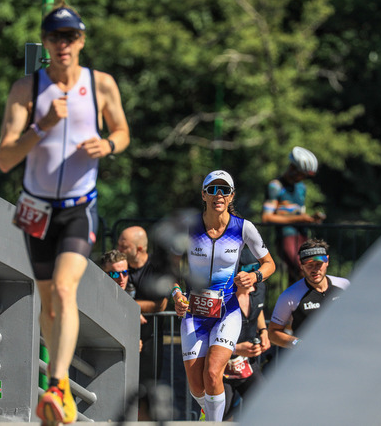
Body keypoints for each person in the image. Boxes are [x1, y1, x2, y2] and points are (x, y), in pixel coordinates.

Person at [0, 3, 130, 424]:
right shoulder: (27, 89)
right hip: (36, 209)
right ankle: (59, 389)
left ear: (81, 40)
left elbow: (122, 131)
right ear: (46, 41)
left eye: (70, 36)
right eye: (55, 37)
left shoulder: (100, 84)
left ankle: (56, 384)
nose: (63, 44)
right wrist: (43, 126)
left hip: (78, 208)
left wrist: (108, 145)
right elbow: (4, 158)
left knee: (65, 290)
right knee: (49, 303)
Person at [172, 170, 276, 422]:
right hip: (194, 313)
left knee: (213, 373)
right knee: (197, 385)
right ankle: (208, 412)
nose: (218, 195)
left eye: (225, 190)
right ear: (203, 195)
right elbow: (169, 268)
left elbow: (269, 263)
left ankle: (213, 423)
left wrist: (255, 276)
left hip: (227, 310)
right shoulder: (188, 226)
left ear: (231, 196)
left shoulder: (243, 228)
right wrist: (176, 293)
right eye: (212, 190)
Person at [268, 238, 349, 348]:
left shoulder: (344, 285)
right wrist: (298, 344)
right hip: (310, 356)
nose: (315, 270)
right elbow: (273, 333)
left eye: (319, 264)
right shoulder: (289, 295)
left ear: (327, 261)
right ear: (301, 265)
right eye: (309, 265)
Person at [261, 146, 325, 283]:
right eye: (302, 174)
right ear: (293, 169)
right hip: (286, 236)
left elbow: (299, 213)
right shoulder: (276, 186)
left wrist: (310, 219)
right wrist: (299, 218)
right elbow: (267, 217)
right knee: (304, 271)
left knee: (298, 276)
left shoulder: (301, 188)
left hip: (302, 236)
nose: (303, 178)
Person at [222, 249, 271, 420]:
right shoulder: (218, 297)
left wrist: (263, 331)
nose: (253, 282)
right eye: (248, 274)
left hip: (247, 365)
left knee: (266, 408)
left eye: (256, 272)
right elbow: (203, 338)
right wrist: (235, 348)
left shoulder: (259, 288)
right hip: (220, 368)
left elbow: (258, 307)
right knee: (217, 418)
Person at [117, 227, 168, 389]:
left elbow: (160, 305)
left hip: (150, 337)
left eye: (124, 247)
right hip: (120, 333)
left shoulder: (156, 266)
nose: (119, 250)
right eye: (118, 245)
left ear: (139, 249)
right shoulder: (118, 267)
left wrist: (127, 305)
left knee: (147, 388)